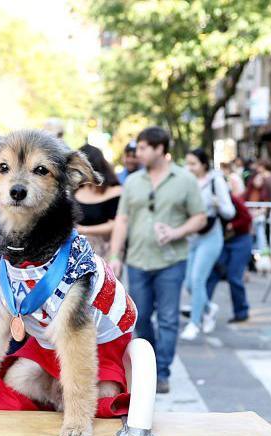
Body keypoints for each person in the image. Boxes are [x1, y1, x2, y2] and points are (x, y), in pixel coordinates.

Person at [107, 127, 206, 393]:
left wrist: (177, 232)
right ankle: (149, 364)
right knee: (139, 317)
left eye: (142, 148)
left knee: (168, 318)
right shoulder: (132, 182)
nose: (137, 153)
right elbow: (122, 220)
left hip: (171, 260)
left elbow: (200, 217)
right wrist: (116, 255)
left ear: (160, 149)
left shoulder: (185, 180)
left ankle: (161, 372)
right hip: (138, 260)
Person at [180, 148, 234, 340]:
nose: (189, 167)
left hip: (211, 236)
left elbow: (230, 211)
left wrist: (217, 203)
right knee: (188, 283)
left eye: (193, 163)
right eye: (188, 163)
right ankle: (209, 308)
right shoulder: (187, 181)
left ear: (203, 164)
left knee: (197, 280)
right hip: (191, 237)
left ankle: (194, 323)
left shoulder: (215, 181)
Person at [206, 186, 253, 323]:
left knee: (234, 277)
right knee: (213, 274)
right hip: (224, 242)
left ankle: (241, 311)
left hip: (240, 240)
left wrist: (232, 225)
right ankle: (201, 307)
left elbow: (247, 218)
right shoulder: (208, 202)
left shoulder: (233, 200)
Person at [74, 144, 122, 257]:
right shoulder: (76, 189)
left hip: (104, 250)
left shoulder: (115, 192)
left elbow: (116, 224)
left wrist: (83, 229)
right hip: (76, 250)